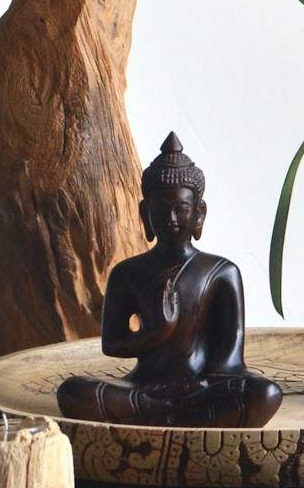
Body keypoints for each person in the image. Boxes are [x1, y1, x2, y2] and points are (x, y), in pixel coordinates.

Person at [56, 133, 282, 428]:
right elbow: (112, 344)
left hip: (201, 387)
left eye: (182, 209)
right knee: (73, 391)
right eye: (161, 210)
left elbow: (230, 361)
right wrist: (156, 335)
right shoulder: (126, 273)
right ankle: (177, 414)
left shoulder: (221, 272)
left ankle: (159, 413)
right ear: (144, 213)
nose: (171, 218)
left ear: (199, 213)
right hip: (144, 386)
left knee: (266, 393)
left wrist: (202, 384)